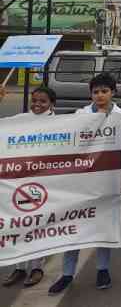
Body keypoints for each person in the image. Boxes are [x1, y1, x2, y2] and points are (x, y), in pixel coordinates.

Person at [48, 74, 121, 294]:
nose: (100, 95)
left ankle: (103, 270)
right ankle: (67, 274)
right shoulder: (80, 115)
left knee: (104, 227)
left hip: (108, 181)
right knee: (74, 227)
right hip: (81, 181)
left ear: (113, 92)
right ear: (90, 94)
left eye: (104, 91)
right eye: (96, 92)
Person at [2, 86, 57, 289]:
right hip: (21, 180)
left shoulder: (62, 123)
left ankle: (37, 267)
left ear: (52, 104)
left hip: (46, 182)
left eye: (43, 101)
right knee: (20, 222)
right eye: (34, 100)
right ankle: (19, 267)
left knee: (39, 224)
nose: (37, 105)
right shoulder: (21, 119)